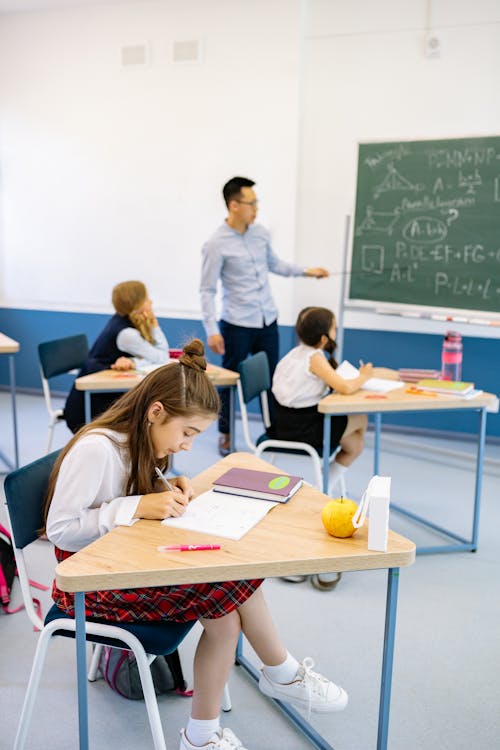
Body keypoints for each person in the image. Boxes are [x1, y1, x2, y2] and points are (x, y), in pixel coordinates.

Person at [44, 339, 348, 750]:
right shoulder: (99, 448)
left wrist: (165, 486)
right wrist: (137, 505)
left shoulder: (139, 439)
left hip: (124, 558)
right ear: (155, 412)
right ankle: (277, 676)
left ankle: (216, 723)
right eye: (186, 433)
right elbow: (60, 530)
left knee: (233, 580)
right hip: (87, 583)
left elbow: (125, 498)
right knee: (225, 606)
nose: (187, 444)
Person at [200, 176, 329, 457]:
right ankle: (226, 433)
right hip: (236, 324)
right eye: (251, 203)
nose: (256, 209)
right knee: (230, 383)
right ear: (234, 205)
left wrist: (307, 271)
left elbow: (275, 264)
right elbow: (207, 289)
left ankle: (276, 431)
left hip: (266, 319)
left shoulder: (260, 234)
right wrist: (211, 328)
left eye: (257, 203)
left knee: (273, 379)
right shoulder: (215, 243)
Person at [269, 306, 399, 490]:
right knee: (360, 422)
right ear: (323, 338)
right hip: (301, 428)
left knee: (356, 445)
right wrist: (364, 376)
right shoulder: (314, 358)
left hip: (283, 422)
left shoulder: (297, 352)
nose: (335, 332)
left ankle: (324, 484)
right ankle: (324, 486)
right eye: (334, 328)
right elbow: (345, 387)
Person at [64, 280, 170, 433]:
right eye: (147, 298)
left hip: (105, 398)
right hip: (89, 407)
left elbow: (155, 356)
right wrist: (154, 325)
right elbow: (161, 356)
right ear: (137, 304)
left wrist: (134, 361)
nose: (151, 302)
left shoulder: (123, 321)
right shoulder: (126, 334)